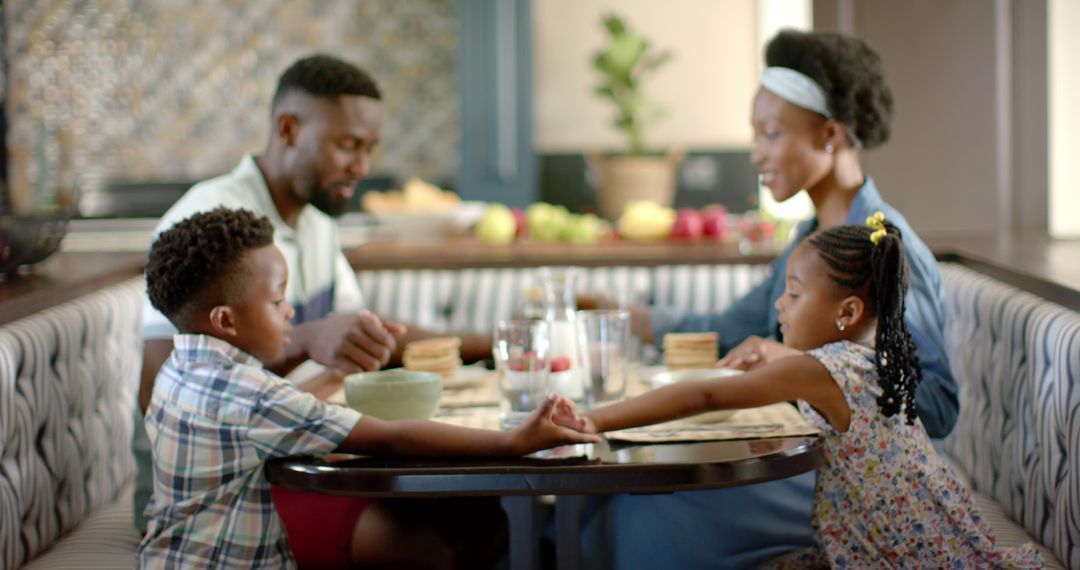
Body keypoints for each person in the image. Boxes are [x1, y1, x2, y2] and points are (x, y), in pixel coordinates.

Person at [578, 29, 959, 568]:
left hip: (866, 484)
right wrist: (630, 317)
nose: (755, 153)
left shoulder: (883, 245)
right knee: (609, 495)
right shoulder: (808, 238)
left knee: (640, 510)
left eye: (771, 134)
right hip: (807, 461)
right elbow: (735, 328)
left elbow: (938, 405)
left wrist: (806, 365)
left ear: (829, 134)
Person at [131, 54, 488, 534]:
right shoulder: (206, 222)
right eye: (347, 145)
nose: (361, 166)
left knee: (475, 516)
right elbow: (158, 388)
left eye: (369, 148)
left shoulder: (318, 223)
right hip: (220, 504)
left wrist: (496, 343)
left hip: (294, 465)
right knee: (445, 541)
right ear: (288, 129)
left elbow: (351, 330)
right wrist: (307, 338)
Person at [560, 218, 1041, 568]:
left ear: (847, 312)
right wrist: (772, 352)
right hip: (925, 540)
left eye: (793, 293)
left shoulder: (826, 371)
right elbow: (806, 368)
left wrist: (595, 420)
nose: (779, 304)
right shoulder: (876, 360)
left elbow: (704, 397)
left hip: (896, 557)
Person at [136, 207, 598, 569]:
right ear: (225, 321)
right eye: (278, 302)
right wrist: (513, 441)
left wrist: (338, 370)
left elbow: (282, 409)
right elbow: (390, 436)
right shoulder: (251, 396)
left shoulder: (181, 371)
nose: (290, 313)